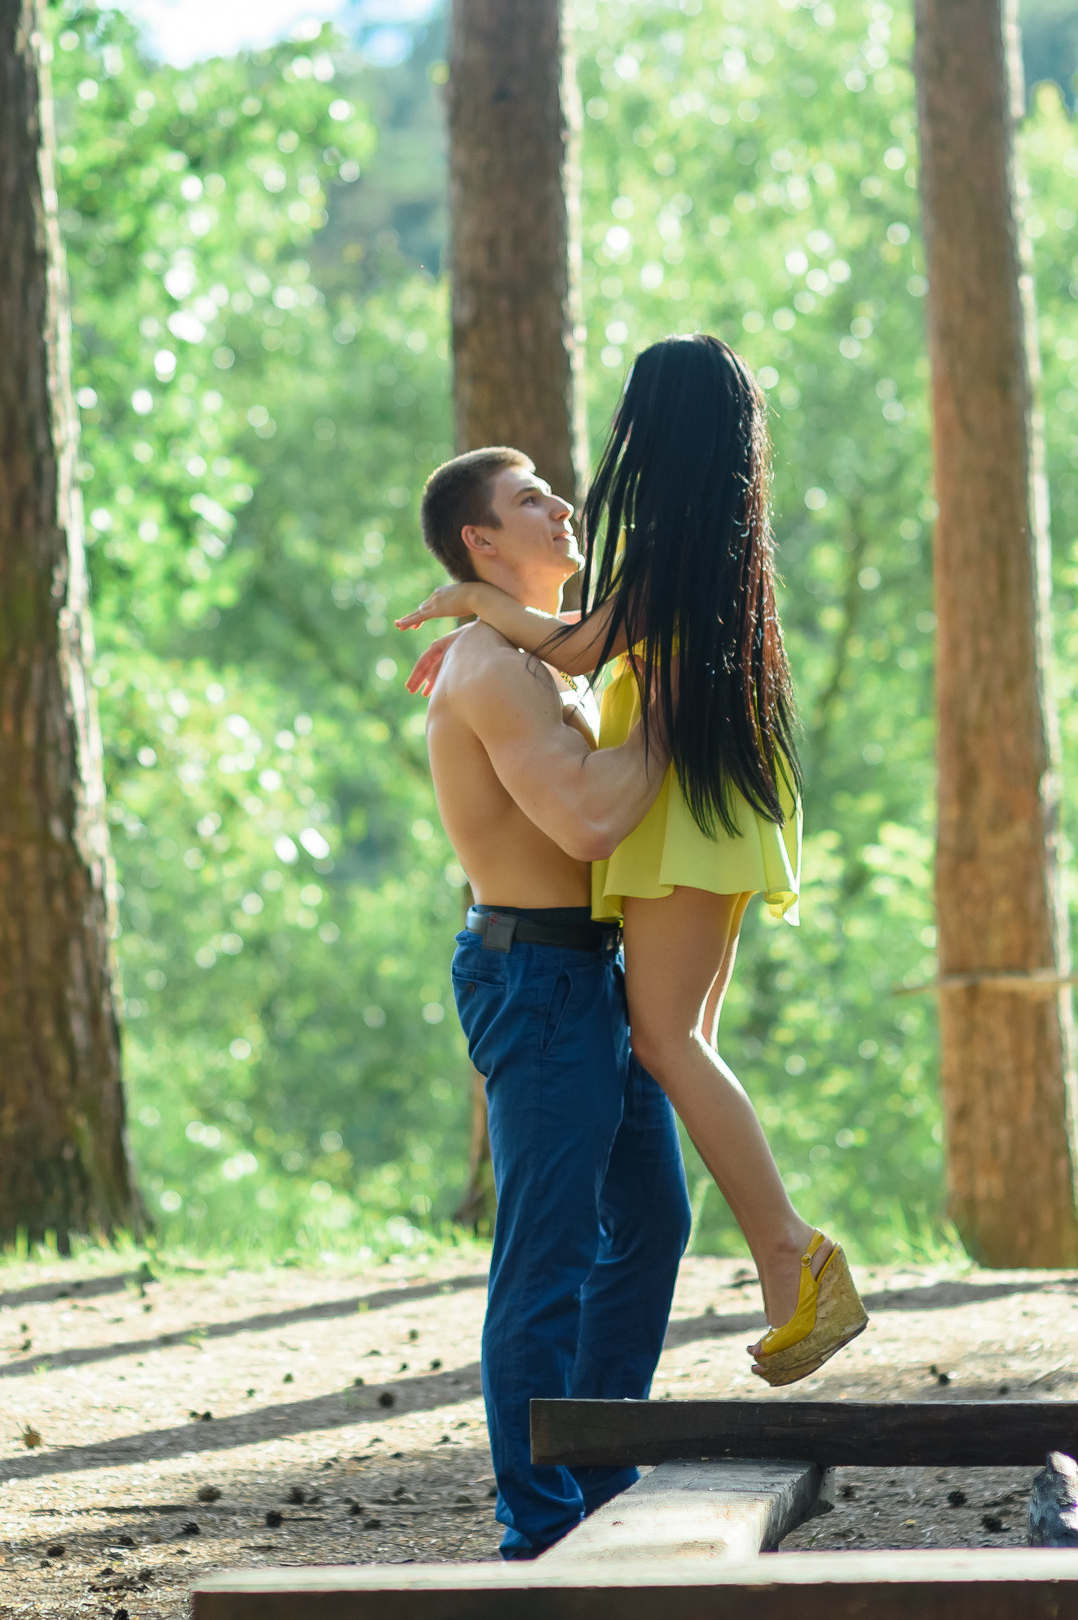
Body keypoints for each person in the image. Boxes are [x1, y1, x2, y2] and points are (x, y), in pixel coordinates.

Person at [399, 334, 866, 1391]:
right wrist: (492, 617)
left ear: (655, 431)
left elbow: (572, 647)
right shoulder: (718, 540)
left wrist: (471, 602)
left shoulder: (671, 543)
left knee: (667, 1039)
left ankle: (791, 1253)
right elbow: (578, 635)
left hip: (686, 813)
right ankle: (781, 1265)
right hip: (722, 801)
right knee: (681, 1041)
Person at [411, 443, 692, 1560]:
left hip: (591, 973)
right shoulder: (488, 668)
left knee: (654, 1220)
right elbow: (585, 824)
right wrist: (669, 718)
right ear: (481, 540)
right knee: (547, 1252)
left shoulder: (545, 657)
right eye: (529, 498)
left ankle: (597, 1468)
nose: (561, 504)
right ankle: (538, 1523)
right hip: (534, 978)